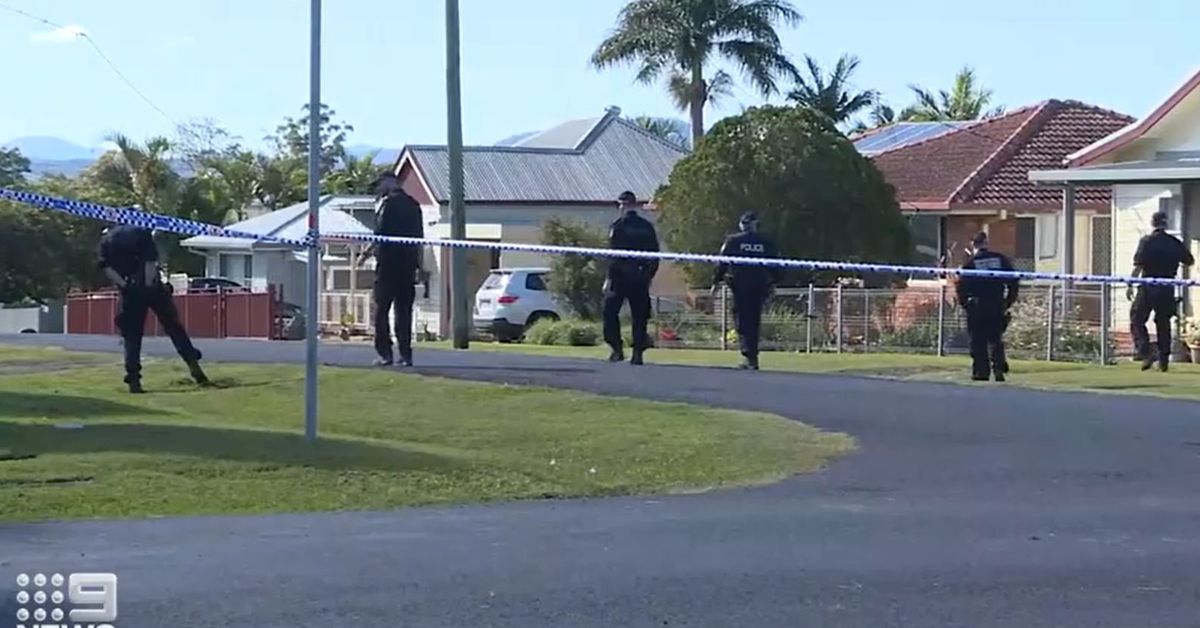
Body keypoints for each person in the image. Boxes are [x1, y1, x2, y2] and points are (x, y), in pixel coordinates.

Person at [98, 225, 209, 393]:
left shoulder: (107, 239)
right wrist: (149, 285)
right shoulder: (141, 232)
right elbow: (149, 261)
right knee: (173, 327)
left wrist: (124, 285)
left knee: (132, 336)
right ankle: (195, 368)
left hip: (129, 290)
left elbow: (106, 267)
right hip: (151, 286)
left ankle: (134, 379)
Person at [363, 175, 425, 367]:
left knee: (381, 310)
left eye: (380, 184)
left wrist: (366, 253)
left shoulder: (387, 205)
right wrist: (419, 265)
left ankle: (385, 353)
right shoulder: (414, 205)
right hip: (407, 265)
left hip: (388, 265)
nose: (379, 189)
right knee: (404, 311)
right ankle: (406, 354)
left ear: (389, 183)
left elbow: (379, 234)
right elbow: (419, 239)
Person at [711, 211, 780, 370]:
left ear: (742, 225)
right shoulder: (765, 242)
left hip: (740, 286)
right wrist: (773, 284)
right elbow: (776, 265)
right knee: (754, 320)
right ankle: (752, 357)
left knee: (742, 320)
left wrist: (716, 282)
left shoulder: (733, 241)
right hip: (759, 286)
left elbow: (722, 263)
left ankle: (749, 356)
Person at [1128, 211, 1195, 372]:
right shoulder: (1174, 242)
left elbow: (1138, 265)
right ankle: (1163, 359)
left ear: (1153, 223)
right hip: (1167, 286)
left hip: (1148, 285)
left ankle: (1145, 351)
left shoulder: (1147, 241)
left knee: (1137, 319)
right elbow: (1189, 261)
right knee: (1163, 323)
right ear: (1166, 223)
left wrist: (1130, 283)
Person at [603, 190, 660, 365]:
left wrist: (608, 278)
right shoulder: (647, 227)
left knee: (610, 313)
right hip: (640, 277)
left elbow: (614, 255)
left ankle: (617, 349)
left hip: (620, 276)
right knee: (639, 317)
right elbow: (655, 255)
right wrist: (649, 275)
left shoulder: (618, 226)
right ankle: (637, 352)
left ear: (623, 205)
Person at [956, 231, 1019, 382]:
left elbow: (961, 287)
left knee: (978, 341)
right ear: (986, 243)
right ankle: (998, 368)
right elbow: (1013, 281)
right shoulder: (1000, 259)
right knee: (995, 339)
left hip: (977, 306)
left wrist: (966, 304)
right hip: (996, 304)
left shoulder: (971, 263)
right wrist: (1008, 301)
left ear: (973, 245)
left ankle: (981, 372)